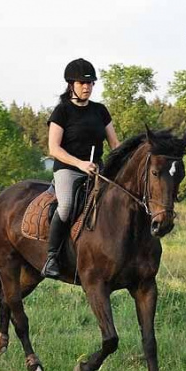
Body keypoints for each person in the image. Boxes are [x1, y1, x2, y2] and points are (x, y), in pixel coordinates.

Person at [41, 58, 120, 279]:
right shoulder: (62, 112)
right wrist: (80, 164)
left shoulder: (100, 111)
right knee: (65, 206)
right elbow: (53, 149)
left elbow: (115, 144)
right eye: (81, 83)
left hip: (98, 170)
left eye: (90, 83)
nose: (87, 87)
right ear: (71, 85)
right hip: (69, 169)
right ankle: (52, 257)